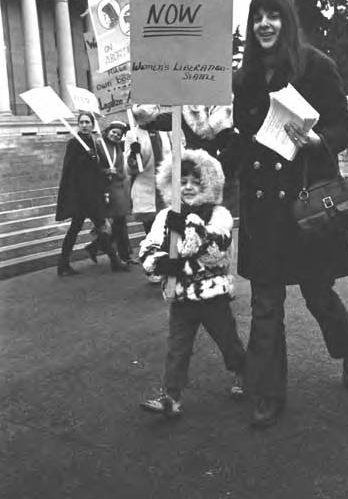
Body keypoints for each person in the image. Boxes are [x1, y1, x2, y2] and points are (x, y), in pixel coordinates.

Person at [231, 0, 348, 428]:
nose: (264, 24)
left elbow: (344, 124)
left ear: (287, 21)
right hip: (261, 210)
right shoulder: (244, 76)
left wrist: (319, 141)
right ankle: (269, 393)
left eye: (273, 16)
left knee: (318, 293)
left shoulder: (316, 66)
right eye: (257, 17)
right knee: (265, 303)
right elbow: (236, 137)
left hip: (305, 205)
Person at [139, 149, 245, 417]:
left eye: (194, 181)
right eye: (182, 181)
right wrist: (163, 262)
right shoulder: (165, 216)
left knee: (228, 341)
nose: (187, 187)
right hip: (182, 295)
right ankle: (171, 397)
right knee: (177, 348)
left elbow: (216, 253)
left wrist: (188, 226)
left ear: (207, 184)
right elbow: (148, 249)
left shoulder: (219, 214)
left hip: (212, 296)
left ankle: (243, 372)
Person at [55, 111, 124, 276]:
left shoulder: (93, 142)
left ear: (93, 125)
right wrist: (88, 159)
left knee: (88, 228)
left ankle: (63, 264)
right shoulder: (74, 143)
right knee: (98, 227)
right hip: (81, 196)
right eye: (82, 122)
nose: (84, 125)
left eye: (87, 122)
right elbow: (72, 170)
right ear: (78, 125)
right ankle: (114, 261)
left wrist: (105, 169)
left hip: (92, 193)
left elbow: (94, 170)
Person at [125, 105, 173, 282]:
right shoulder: (133, 134)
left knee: (169, 229)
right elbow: (130, 170)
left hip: (167, 188)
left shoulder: (165, 132)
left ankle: (169, 264)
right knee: (152, 232)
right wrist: (133, 154)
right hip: (146, 190)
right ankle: (152, 268)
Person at [85, 121, 134, 271]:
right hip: (106, 188)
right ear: (108, 131)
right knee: (117, 223)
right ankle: (122, 256)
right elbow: (93, 168)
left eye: (119, 134)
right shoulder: (99, 145)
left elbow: (122, 166)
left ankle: (99, 248)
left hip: (119, 186)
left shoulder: (119, 147)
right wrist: (106, 171)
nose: (116, 135)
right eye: (113, 132)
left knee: (120, 222)